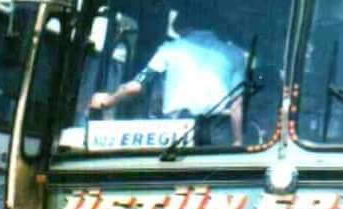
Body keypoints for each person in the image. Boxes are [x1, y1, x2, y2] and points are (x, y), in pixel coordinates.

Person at [90, 11, 246, 146]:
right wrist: (238, 141)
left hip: (178, 130)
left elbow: (135, 87)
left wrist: (108, 100)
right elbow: (237, 104)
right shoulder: (234, 54)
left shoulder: (170, 49)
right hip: (218, 131)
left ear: (182, 28)